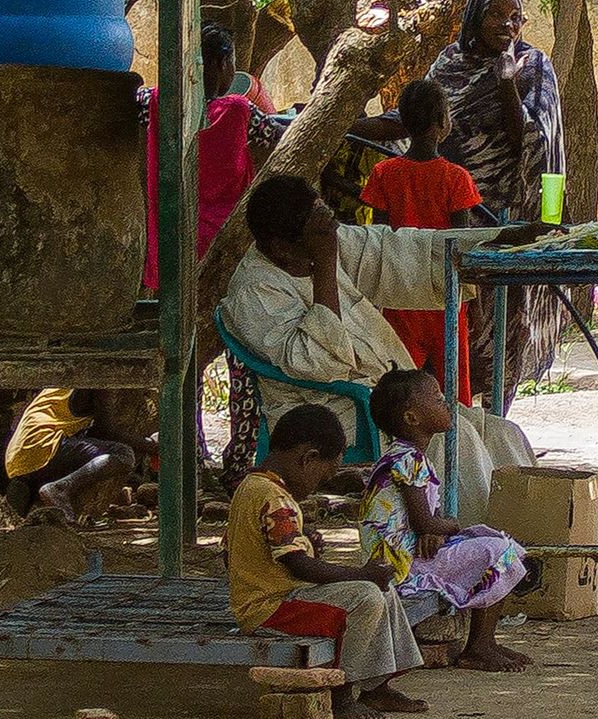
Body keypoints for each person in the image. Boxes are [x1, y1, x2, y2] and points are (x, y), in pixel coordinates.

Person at [220, 174, 542, 521]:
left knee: (501, 432)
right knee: (454, 438)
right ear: (281, 247)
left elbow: (398, 251)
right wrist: (326, 265)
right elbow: (318, 363)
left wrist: (497, 240)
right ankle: (472, 548)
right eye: (323, 237)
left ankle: (526, 539)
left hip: (378, 391)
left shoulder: (322, 241)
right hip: (325, 404)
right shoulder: (253, 292)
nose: (333, 239)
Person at [227, 403, 428, 719]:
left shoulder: (255, 487)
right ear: (308, 458)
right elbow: (298, 566)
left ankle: (376, 686)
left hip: (281, 599)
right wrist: (361, 574)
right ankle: (341, 693)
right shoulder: (274, 498)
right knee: (366, 596)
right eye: (324, 475)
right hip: (269, 608)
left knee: (381, 590)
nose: (320, 484)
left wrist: (304, 539)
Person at [426, 0, 567, 407]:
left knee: (506, 315)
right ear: (473, 18)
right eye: (496, 14)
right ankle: (455, 413)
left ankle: (496, 415)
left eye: (515, 17)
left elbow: (534, 141)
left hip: (506, 215)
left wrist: (506, 83)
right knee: (457, 312)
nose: (508, 24)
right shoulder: (448, 64)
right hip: (451, 211)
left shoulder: (532, 65)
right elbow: (420, 121)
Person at [361, 369, 531, 672]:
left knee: (491, 540)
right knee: (498, 550)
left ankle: (484, 642)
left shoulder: (409, 457)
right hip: (400, 565)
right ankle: (479, 646)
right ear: (412, 418)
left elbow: (426, 520)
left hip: (409, 553)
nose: (447, 404)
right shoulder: (408, 460)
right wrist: (448, 526)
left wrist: (437, 530)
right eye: (438, 399)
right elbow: (426, 523)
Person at [358, 79, 482, 406]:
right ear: (444, 122)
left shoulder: (384, 173)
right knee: (455, 392)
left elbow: (379, 242)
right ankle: (457, 451)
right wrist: (477, 303)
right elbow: (464, 247)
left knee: (396, 388)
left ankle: (396, 448)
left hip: (400, 294)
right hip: (446, 297)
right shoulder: (456, 178)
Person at [141, 20, 279, 289]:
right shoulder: (240, 111)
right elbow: (275, 134)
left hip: (172, 236)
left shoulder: (155, 102)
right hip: (224, 238)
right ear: (221, 64)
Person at [3, 389, 154, 520]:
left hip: (17, 459)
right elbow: (106, 431)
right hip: (44, 446)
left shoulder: (69, 377)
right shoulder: (98, 378)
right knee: (123, 454)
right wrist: (152, 446)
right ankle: (60, 489)